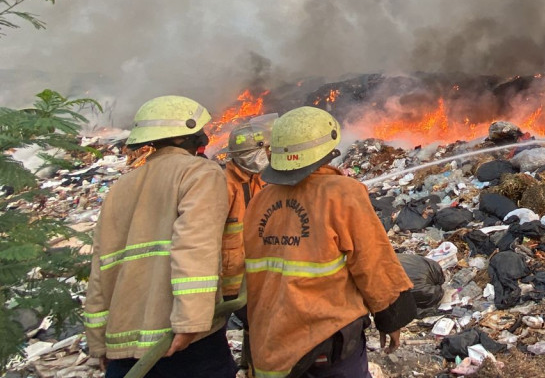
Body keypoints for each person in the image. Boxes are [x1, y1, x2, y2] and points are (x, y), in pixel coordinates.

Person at [244, 106, 415, 378]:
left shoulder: (259, 201)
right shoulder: (342, 193)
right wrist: (392, 319)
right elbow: (374, 263)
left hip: (270, 345)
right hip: (326, 341)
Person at [84, 96, 235, 378]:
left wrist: (98, 341)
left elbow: (100, 270)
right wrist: (190, 321)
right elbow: (195, 246)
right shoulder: (199, 173)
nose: (205, 136)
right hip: (181, 342)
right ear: (180, 137)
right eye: (199, 130)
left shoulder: (121, 186)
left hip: (123, 345)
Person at [221, 116, 274, 371]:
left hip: (249, 273)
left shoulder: (257, 179)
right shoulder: (224, 185)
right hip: (224, 277)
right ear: (246, 155)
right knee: (210, 332)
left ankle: (252, 367)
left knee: (258, 323)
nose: (266, 155)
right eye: (261, 151)